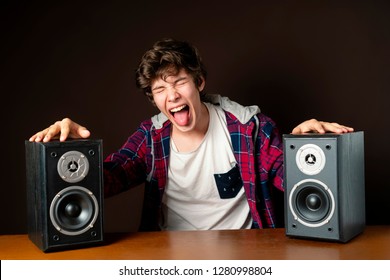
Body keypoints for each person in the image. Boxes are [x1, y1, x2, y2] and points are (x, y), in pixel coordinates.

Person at [29, 38, 354, 231]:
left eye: (179, 81)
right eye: (159, 89)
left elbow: (293, 177)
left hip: (246, 261)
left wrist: (306, 147)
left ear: (199, 83)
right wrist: (71, 152)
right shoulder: (150, 137)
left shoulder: (249, 128)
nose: (171, 96)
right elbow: (107, 179)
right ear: (154, 99)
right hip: (171, 260)